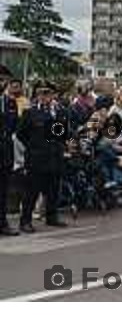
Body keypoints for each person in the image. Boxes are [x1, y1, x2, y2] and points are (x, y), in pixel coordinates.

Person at [17, 83, 68, 231]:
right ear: (37, 95)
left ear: (53, 95)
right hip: (37, 158)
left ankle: (52, 217)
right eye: (41, 93)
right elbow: (21, 134)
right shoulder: (30, 112)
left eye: (47, 93)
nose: (44, 96)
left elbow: (63, 134)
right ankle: (25, 221)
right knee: (31, 192)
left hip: (55, 156)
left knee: (53, 190)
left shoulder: (60, 112)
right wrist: (34, 146)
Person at [0, 79, 19, 235]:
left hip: (5, 151)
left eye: (2, 80)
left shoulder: (10, 103)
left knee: (3, 190)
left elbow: (14, 128)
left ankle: (2, 223)